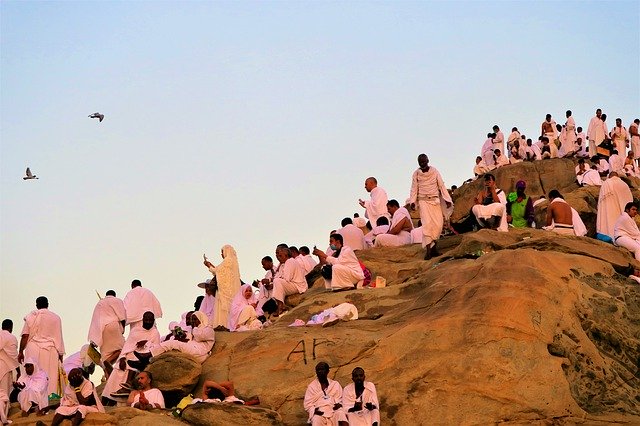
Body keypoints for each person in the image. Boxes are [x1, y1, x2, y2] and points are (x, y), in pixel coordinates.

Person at [102, 311, 160, 402]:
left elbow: (156, 348)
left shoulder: (155, 333)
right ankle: (108, 396)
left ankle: (127, 385)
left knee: (134, 360)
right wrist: (122, 358)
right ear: (143, 320)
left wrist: (146, 343)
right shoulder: (135, 331)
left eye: (150, 320)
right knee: (119, 367)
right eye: (146, 320)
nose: (148, 322)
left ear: (153, 321)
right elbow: (127, 346)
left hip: (144, 356)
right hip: (130, 354)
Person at [128, 311, 215, 369]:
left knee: (172, 343)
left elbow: (200, 336)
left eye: (195, 319)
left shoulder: (208, 329)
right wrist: (180, 331)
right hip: (193, 348)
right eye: (192, 320)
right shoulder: (193, 330)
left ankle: (148, 356)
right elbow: (173, 325)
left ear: (201, 318)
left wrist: (194, 328)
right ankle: (145, 361)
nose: (193, 322)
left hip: (200, 353)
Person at [408, 154, 453, 260]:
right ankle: (428, 251)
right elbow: (414, 189)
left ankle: (434, 249)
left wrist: (447, 199)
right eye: (420, 162)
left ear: (427, 160)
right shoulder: (416, 174)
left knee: (438, 225)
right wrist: (413, 201)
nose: (422, 164)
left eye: (424, 161)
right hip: (423, 202)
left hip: (435, 201)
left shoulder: (435, 171)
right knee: (427, 226)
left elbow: (441, 185)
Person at [18, 296, 64, 396]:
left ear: (37, 305)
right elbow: (59, 338)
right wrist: (60, 356)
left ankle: (31, 397)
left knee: (31, 375)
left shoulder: (32, 316)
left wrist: (20, 351)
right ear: (48, 305)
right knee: (50, 376)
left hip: (33, 348)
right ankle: (50, 397)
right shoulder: (56, 318)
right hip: (51, 350)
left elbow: (25, 335)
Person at [203, 245, 242, 329]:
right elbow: (219, 271)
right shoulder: (231, 262)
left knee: (223, 310)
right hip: (230, 291)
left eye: (222, 252)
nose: (221, 254)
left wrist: (208, 266)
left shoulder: (227, 261)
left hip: (224, 292)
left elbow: (217, 271)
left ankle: (224, 326)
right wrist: (210, 265)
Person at [87, 290, 125, 366]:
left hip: (103, 330)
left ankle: (107, 365)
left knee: (106, 356)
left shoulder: (100, 303)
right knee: (123, 349)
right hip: (113, 326)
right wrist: (123, 329)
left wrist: (94, 340)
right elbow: (122, 317)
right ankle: (108, 361)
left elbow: (95, 322)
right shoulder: (117, 301)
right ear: (114, 295)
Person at [303, 362, 347, 426]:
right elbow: (307, 404)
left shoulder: (335, 384)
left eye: (322, 369)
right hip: (319, 412)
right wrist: (314, 410)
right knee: (316, 419)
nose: (320, 371)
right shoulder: (312, 386)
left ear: (327, 371)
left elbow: (340, 399)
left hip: (333, 410)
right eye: (318, 370)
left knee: (341, 414)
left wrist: (338, 405)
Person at [596, 172, 633, 241]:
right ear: (618, 176)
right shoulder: (624, 184)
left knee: (609, 224)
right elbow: (629, 200)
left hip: (608, 211)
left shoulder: (606, 184)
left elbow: (601, 203)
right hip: (621, 211)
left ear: (609, 177)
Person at [271, 246, 307, 316]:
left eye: (280, 255)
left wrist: (278, 279)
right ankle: (280, 306)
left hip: (298, 286)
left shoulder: (290, 261)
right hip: (294, 284)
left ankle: (280, 307)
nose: (278, 257)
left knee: (277, 281)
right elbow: (279, 276)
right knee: (277, 281)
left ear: (286, 255)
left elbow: (287, 278)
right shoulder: (284, 264)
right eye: (278, 255)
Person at [0, 320, 18, 425]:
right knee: (3, 395)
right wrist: (19, 371)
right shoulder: (11, 338)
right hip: (5, 368)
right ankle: (3, 419)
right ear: (11, 328)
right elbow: (14, 357)